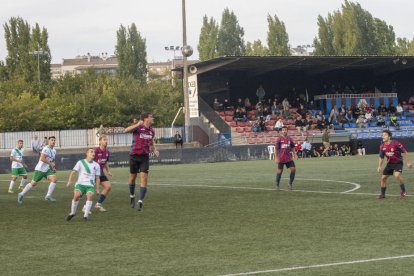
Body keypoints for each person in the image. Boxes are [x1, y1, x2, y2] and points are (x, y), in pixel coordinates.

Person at [124, 112, 159, 211]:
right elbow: (125, 130)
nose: (153, 118)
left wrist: (155, 149)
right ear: (145, 119)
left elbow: (151, 141)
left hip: (144, 157)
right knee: (132, 178)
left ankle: (140, 202)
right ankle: (132, 196)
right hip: (134, 156)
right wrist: (137, 124)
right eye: (151, 117)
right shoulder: (138, 127)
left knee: (144, 178)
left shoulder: (152, 131)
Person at [18, 136, 58, 204]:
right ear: (48, 141)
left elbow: (53, 160)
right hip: (40, 169)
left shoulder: (54, 150)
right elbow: (42, 158)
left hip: (47, 170)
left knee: (54, 179)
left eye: (54, 140)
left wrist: (53, 168)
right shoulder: (45, 149)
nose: (53, 141)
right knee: (33, 184)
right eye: (52, 140)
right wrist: (50, 164)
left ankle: (48, 196)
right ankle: (21, 194)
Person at [66, 148, 101, 221]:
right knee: (76, 196)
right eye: (91, 152)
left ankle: (85, 215)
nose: (93, 153)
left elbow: (97, 178)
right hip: (80, 184)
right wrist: (69, 181)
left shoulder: (96, 165)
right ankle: (73, 213)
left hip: (90, 185)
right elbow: (73, 172)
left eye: (94, 152)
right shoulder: (80, 162)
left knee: (90, 196)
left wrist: (97, 189)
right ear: (87, 153)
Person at [377, 130, 412, 199]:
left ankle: (403, 191)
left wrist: (408, 162)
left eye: (385, 135)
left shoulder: (396, 143)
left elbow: (405, 152)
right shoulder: (382, 146)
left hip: (398, 163)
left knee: (397, 175)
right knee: (383, 178)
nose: (383, 136)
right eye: (382, 135)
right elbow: (381, 157)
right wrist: (379, 166)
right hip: (390, 164)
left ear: (389, 137)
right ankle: (382, 194)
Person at [274, 126, 298, 190]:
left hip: (288, 158)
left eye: (285, 130)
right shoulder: (279, 139)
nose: (284, 131)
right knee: (280, 171)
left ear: (287, 131)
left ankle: (290, 184)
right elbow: (276, 149)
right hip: (281, 158)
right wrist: (276, 158)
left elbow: (292, 147)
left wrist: (295, 154)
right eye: (283, 130)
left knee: (293, 169)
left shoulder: (290, 139)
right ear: (281, 131)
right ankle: (277, 185)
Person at [94, 135, 112, 212]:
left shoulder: (107, 152)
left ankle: (98, 204)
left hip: (101, 173)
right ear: (100, 141)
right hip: (93, 174)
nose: (106, 141)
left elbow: (105, 163)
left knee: (108, 187)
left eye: (106, 140)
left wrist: (108, 171)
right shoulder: (95, 151)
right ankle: (85, 206)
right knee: (89, 191)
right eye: (104, 140)